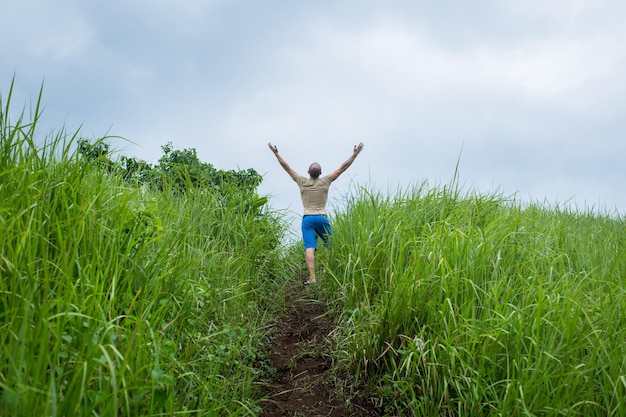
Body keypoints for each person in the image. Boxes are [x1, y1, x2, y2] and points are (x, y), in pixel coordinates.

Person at [268, 142, 365, 284]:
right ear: (320, 173)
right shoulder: (325, 181)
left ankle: (312, 277)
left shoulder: (302, 181)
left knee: (309, 248)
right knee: (330, 244)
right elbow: (342, 168)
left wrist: (276, 153)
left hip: (307, 219)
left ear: (308, 172)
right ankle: (326, 272)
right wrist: (355, 154)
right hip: (321, 217)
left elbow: (286, 167)